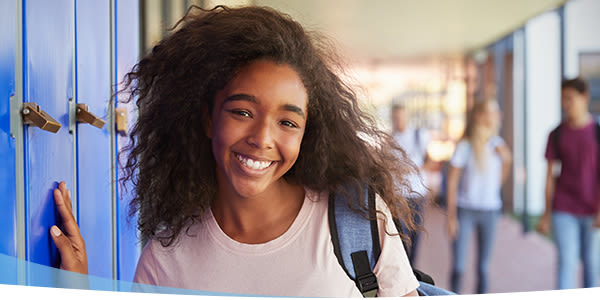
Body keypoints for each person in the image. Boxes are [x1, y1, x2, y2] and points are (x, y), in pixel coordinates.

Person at [49, 6, 422, 297]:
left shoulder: (356, 221)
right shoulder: (167, 260)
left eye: (287, 122)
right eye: (242, 112)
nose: (262, 138)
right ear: (208, 119)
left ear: (307, 134)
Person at [537, 77, 600, 289]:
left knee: (592, 266)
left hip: (593, 209)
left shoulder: (597, 132)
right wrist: (546, 214)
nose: (566, 104)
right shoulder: (556, 134)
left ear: (585, 98)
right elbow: (549, 177)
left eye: (570, 98)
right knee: (566, 263)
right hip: (564, 208)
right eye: (563, 99)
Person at [446, 99, 512, 294]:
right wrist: (450, 217)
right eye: (493, 112)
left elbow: (505, 171)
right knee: (459, 267)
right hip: (465, 210)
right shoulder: (465, 146)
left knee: (483, 268)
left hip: (490, 211)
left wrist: (506, 159)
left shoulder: (498, 144)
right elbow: (452, 182)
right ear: (480, 116)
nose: (497, 116)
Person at [391, 102, 430, 265]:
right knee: (400, 234)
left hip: (416, 193)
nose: (398, 120)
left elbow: (430, 160)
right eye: (395, 117)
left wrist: (414, 169)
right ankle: (404, 267)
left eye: (401, 116)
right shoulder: (390, 139)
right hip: (398, 194)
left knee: (415, 234)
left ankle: (412, 269)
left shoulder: (419, 135)